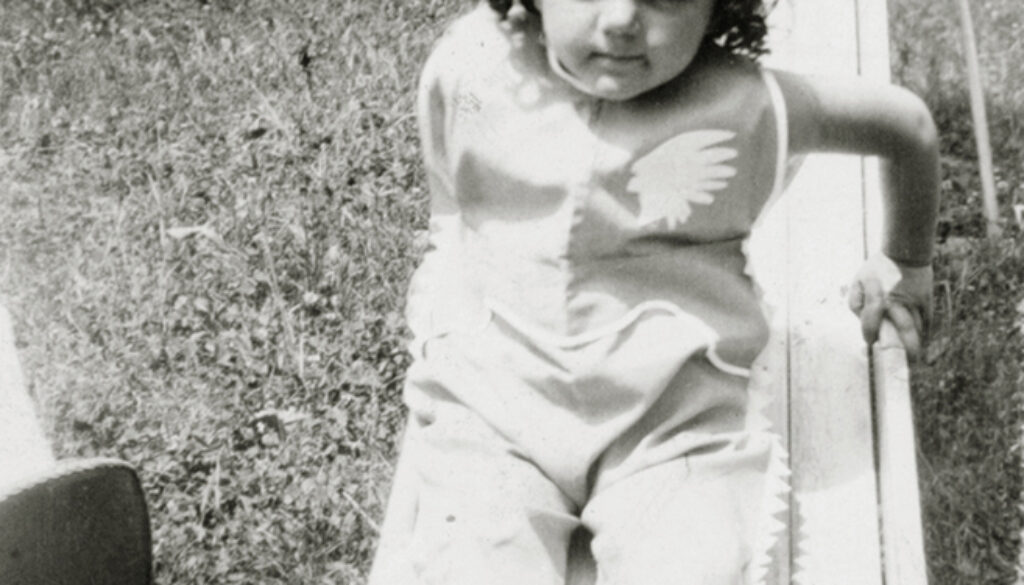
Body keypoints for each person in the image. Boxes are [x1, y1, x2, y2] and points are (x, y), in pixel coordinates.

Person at [369, 0, 938, 583]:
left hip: (670, 418)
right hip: (498, 407)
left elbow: (906, 125)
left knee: (692, 563)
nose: (620, 19)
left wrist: (904, 263)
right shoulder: (475, 65)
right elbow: (452, 201)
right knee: (467, 564)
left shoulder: (742, 105)